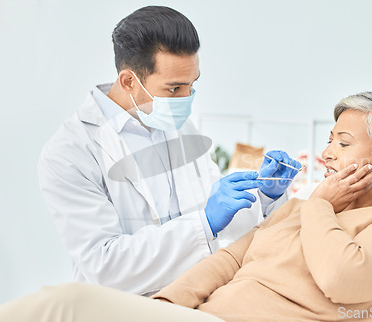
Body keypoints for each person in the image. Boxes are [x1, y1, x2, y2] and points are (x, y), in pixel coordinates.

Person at [0, 91, 372, 322]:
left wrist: (318, 206)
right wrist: (166, 307)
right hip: (196, 317)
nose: (328, 153)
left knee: (67, 303)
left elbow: (340, 277)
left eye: (343, 143)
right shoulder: (297, 212)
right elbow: (228, 260)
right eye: (329, 139)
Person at [37, 5, 300, 296]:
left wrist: (265, 197)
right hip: (119, 308)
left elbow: (219, 223)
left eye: (192, 84)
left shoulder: (181, 127)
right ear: (128, 81)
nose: (187, 99)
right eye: (174, 89)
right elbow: (105, 265)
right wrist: (204, 222)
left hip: (193, 295)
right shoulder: (70, 153)